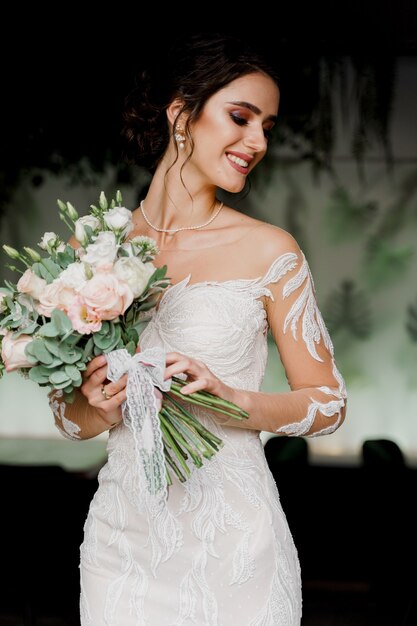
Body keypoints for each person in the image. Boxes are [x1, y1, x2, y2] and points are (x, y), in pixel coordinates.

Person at [49, 32, 347, 626]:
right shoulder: (94, 250)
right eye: (241, 117)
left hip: (237, 545)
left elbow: (328, 404)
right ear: (181, 113)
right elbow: (67, 417)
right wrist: (100, 406)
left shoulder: (268, 250)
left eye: (267, 125)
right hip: (122, 546)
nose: (257, 141)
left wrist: (232, 398)